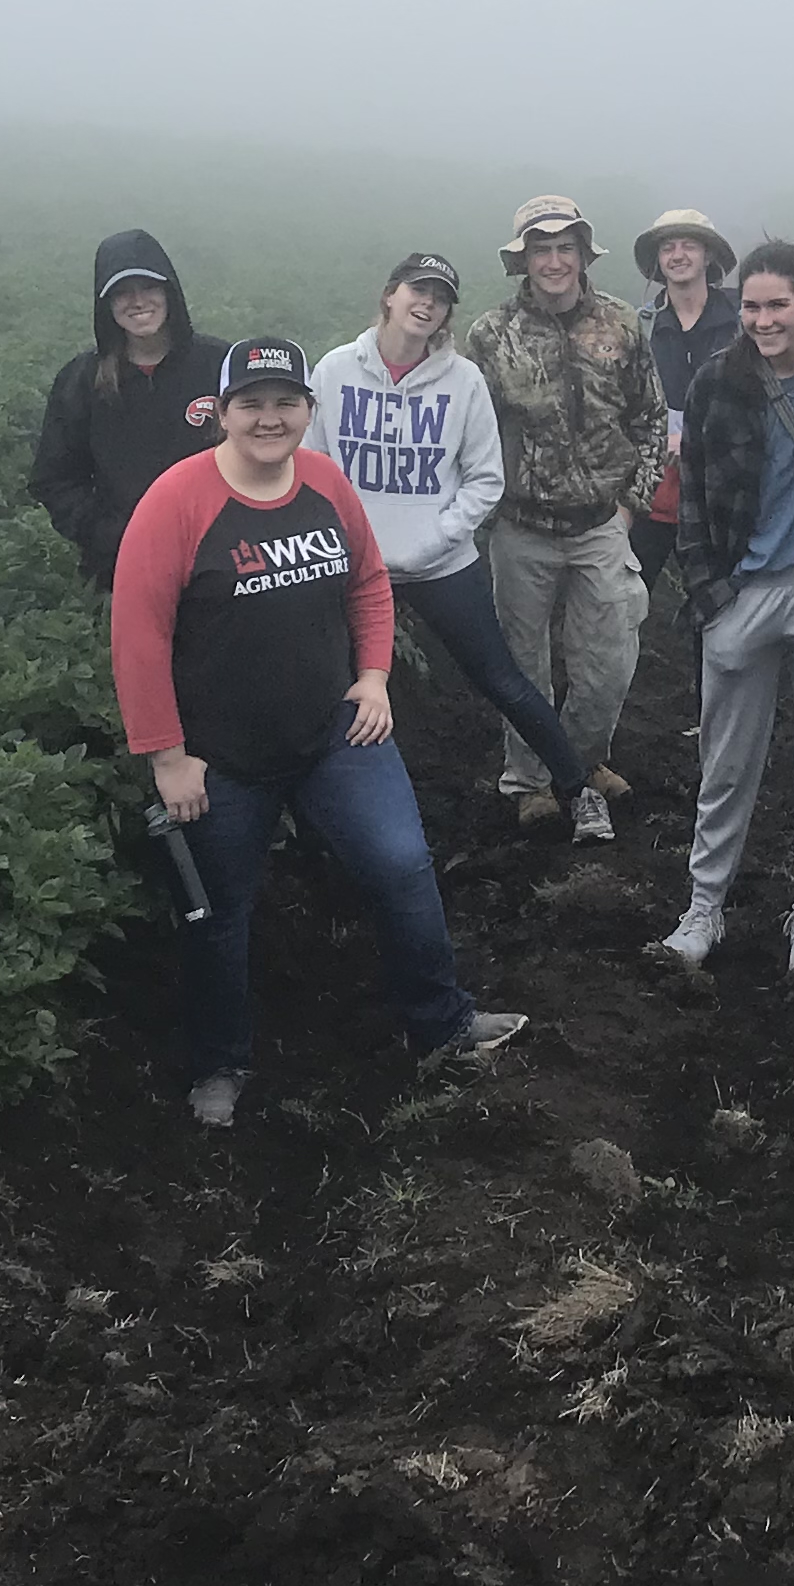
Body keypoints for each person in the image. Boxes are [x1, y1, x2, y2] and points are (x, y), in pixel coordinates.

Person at [111, 338, 528, 1127]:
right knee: (218, 911)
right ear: (223, 414)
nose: (270, 419)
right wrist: (167, 756)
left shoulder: (327, 484)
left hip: (332, 735)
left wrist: (372, 677)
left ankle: (440, 1024)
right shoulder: (177, 502)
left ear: (308, 408)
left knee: (402, 864)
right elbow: (137, 636)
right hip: (220, 758)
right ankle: (218, 1066)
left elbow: (369, 583)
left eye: (286, 402)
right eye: (251, 404)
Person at [305, 252, 596, 826]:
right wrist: (345, 543)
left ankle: (578, 788)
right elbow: (313, 463)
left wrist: (440, 537)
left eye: (440, 299)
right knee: (328, 685)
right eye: (418, 290)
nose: (427, 304)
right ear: (389, 295)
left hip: (442, 564)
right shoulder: (336, 369)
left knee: (501, 678)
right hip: (352, 565)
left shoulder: (463, 382)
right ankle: (328, 806)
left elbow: (486, 477)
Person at [660, 242, 794, 970]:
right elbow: (692, 492)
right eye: (750, 305)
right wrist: (709, 596)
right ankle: (704, 907)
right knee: (724, 763)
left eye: (777, 303)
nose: (761, 319)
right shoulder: (719, 380)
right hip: (740, 591)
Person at [457, 197, 658, 843]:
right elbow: (468, 429)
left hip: (602, 522)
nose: (553, 260)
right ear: (523, 259)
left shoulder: (621, 323)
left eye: (564, 247)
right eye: (540, 249)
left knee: (608, 660)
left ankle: (581, 760)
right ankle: (531, 782)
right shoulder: (492, 335)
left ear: (581, 255)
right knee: (523, 666)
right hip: (521, 527)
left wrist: (631, 505)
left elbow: (650, 420)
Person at [32, 229, 217, 587]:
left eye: (148, 287)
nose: (137, 301)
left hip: (219, 566)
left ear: (169, 291)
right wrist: (108, 533)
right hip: (122, 570)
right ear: (105, 303)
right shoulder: (81, 379)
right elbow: (53, 478)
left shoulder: (219, 365)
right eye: (121, 292)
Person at [627, 210, 743, 612]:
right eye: (668, 247)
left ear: (708, 255)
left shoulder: (742, 323)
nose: (678, 255)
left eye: (689, 245)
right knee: (625, 607)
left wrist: (691, 437)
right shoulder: (639, 326)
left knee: (718, 612)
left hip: (718, 498)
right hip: (651, 498)